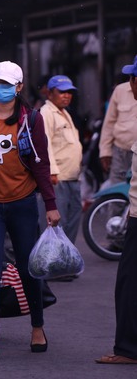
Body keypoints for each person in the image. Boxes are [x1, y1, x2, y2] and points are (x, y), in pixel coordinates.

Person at [0, 61, 60, 361]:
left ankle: (37, 326)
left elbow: (41, 164)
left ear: (18, 87)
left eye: (5, 84)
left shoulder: (32, 119)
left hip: (23, 203)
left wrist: (51, 204)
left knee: (30, 267)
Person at [96, 60, 137, 364]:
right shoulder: (121, 95)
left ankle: (128, 349)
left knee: (129, 283)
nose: (131, 84)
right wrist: (105, 150)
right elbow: (109, 123)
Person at [39, 75, 83, 245]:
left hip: (72, 177)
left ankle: (66, 261)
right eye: (62, 92)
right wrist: (51, 171)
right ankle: (53, 265)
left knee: (72, 220)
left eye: (69, 92)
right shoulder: (46, 112)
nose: (67, 96)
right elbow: (45, 142)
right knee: (56, 223)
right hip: (58, 179)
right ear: (50, 93)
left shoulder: (64, 113)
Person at [99, 58, 137, 189]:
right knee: (117, 192)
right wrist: (105, 152)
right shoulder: (119, 91)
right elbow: (109, 123)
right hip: (121, 153)